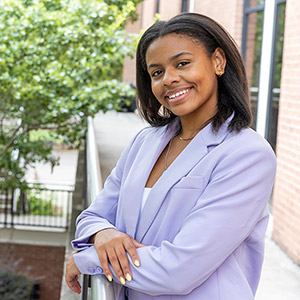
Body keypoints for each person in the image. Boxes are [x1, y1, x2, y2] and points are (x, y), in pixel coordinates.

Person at [65, 13, 276, 300]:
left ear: (217, 61)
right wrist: (102, 235)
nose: (170, 79)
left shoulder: (247, 155)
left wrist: (87, 259)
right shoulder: (145, 142)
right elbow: (93, 216)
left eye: (182, 64)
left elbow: (179, 270)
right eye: (156, 72)